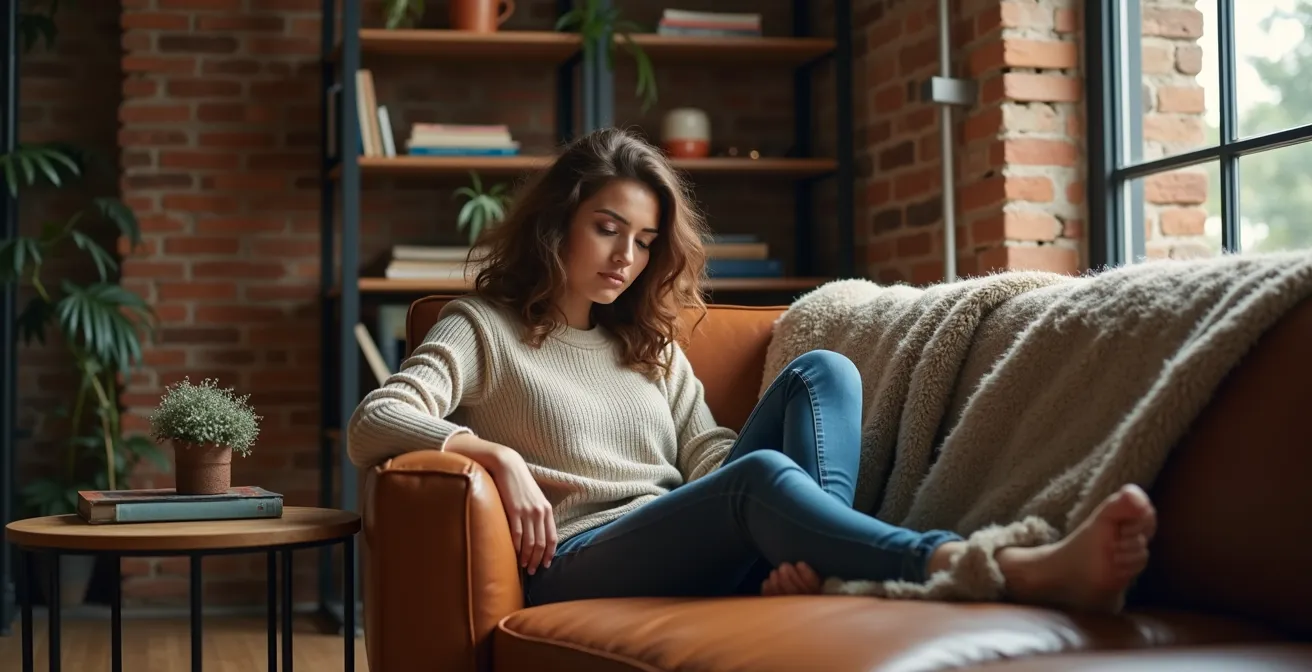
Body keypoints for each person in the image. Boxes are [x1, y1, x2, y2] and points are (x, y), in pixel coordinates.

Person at [346, 127, 1158, 612]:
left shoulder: (647, 344)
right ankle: (993, 567)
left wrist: (781, 514)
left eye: (645, 242)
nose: (627, 257)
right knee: (759, 480)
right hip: (577, 560)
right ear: (557, 223)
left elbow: (707, 455)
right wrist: (495, 454)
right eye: (607, 228)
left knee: (825, 371)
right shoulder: (482, 327)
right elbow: (373, 422)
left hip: (685, 534)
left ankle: (817, 561)